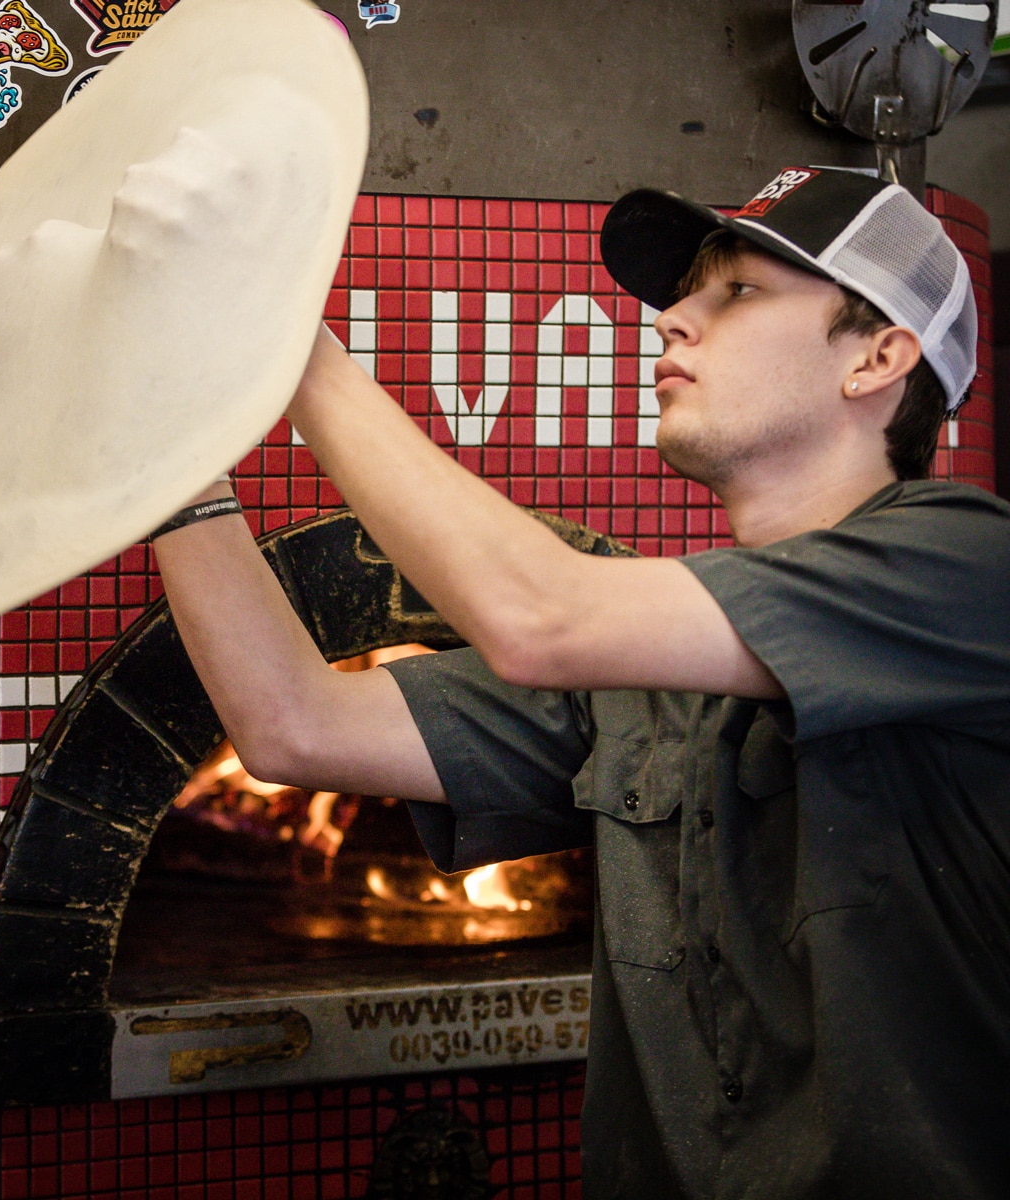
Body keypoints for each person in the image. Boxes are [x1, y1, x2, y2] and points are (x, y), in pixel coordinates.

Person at [154, 166, 1010, 1199]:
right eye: (682, 295)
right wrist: (173, 460)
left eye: (735, 292)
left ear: (878, 359)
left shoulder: (972, 571)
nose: (670, 322)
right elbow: (291, 724)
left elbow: (538, 617)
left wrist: (288, 335)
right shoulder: (650, 667)